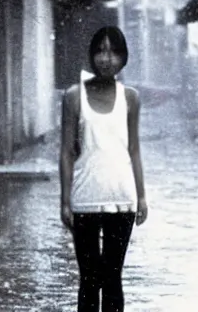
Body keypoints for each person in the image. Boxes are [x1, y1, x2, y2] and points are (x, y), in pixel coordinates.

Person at [60, 27, 145, 312]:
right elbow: (66, 152)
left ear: (123, 58)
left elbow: (134, 149)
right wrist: (64, 201)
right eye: (100, 50)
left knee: (112, 278)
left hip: (122, 198)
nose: (106, 58)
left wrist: (142, 197)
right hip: (84, 198)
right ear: (91, 55)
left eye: (113, 52)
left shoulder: (130, 97)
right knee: (88, 279)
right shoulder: (74, 96)